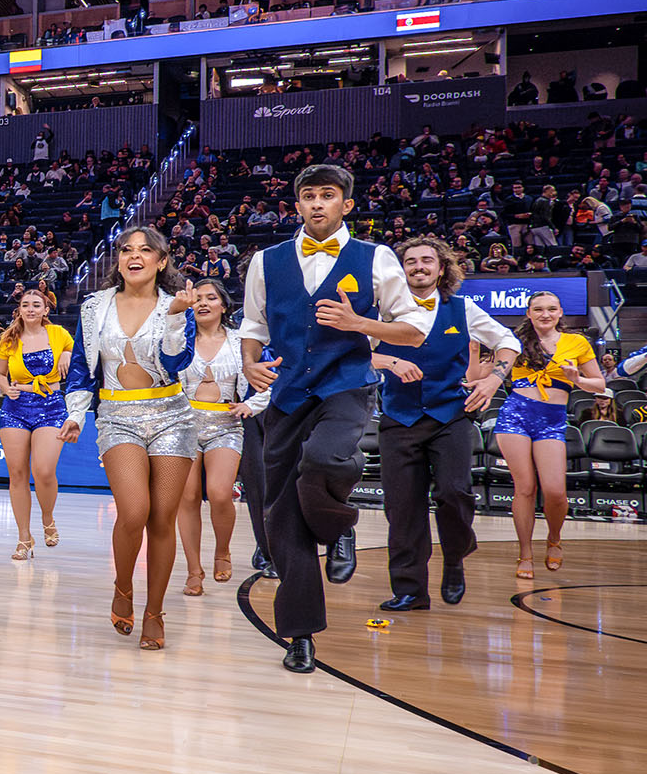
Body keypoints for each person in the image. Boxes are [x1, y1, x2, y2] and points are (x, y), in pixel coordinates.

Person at [242, 165, 433, 674]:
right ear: (297, 205)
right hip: (285, 393)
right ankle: (299, 634)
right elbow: (254, 325)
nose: (318, 203)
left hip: (346, 384)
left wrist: (359, 325)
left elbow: (413, 330)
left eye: (328, 195)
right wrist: (249, 361)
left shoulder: (376, 258)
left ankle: (340, 523)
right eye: (308, 196)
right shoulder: (266, 260)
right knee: (281, 516)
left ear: (347, 204)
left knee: (326, 457)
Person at [63, 228, 198, 652]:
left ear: (161, 261)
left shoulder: (175, 305)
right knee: (135, 510)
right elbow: (83, 370)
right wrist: (75, 415)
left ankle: (154, 612)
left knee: (162, 519)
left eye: (145, 250)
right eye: (126, 250)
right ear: (117, 259)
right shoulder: (93, 307)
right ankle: (123, 587)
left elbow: (179, 362)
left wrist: (177, 316)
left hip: (172, 415)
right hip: (117, 415)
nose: (133, 256)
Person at [370, 236, 518, 610]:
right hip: (398, 418)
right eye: (410, 261)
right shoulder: (380, 313)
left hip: (448, 416)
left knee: (454, 493)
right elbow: (354, 355)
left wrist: (493, 378)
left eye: (426, 261)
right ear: (399, 270)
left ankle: (454, 556)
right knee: (402, 508)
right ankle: (410, 590)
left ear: (441, 268)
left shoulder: (463, 309)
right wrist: (388, 362)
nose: (418, 267)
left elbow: (507, 341)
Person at [496, 290, 604, 580]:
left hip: (552, 419)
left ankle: (554, 537)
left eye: (551, 309)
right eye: (538, 309)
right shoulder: (514, 341)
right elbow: (488, 371)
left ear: (559, 313)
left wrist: (577, 379)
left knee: (555, 491)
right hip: (515, 415)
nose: (545, 314)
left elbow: (599, 384)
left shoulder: (577, 342)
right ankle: (525, 553)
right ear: (528, 314)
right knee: (525, 487)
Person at [176, 280, 262, 594]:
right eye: (196, 298)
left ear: (223, 306)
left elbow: (264, 381)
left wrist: (250, 404)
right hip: (183, 424)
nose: (202, 303)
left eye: (210, 298)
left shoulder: (240, 341)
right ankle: (193, 570)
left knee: (219, 492)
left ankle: (222, 549)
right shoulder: (180, 339)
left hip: (225, 424)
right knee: (186, 498)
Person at [0, 288, 72, 559]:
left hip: (50, 406)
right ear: (19, 309)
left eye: (36, 305)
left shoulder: (59, 334)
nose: (30, 309)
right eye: (25, 304)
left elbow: (76, 352)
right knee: (17, 474)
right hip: (15, 408)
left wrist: (66, 353)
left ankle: (47, 518)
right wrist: (6, 388)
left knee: (44, 470)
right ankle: (24, 538)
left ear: (45, 310)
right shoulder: (8, 338)